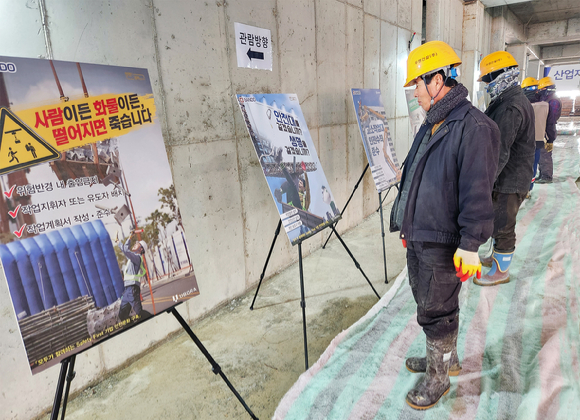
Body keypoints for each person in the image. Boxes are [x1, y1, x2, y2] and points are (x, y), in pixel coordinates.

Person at [389, 40, 500, 410]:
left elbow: (478, 190)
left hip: (444, 238)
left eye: (417, 85)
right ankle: (443, 358)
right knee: (429, 301)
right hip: (422, 233)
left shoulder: (473, 127)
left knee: (437, 309)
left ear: (437, 80)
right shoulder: (434, 122)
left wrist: (470, 243)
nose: (415, 94)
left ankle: (438, 378)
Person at [475, 51, 535, 287]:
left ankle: (502, 270)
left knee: (503, 223)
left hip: (510, 179)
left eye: (488, 80)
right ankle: (496, 255)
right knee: (497, 219)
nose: (487, 86)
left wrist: (483, 181)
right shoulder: (508, 100)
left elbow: (499, 151)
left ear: (499, 76)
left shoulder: (511, 107)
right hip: (508, 176)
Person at [521, 77, 549, 196]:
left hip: (524, 141)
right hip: (538, 140)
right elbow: (549, 123)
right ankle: (528, 189)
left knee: (521, 166)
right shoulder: (545, 105)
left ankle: (522, 189)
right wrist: (549, 139)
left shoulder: (523, 106)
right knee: (533, 165)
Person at [116, 231, 152, 322]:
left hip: (133, 289)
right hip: (127, 290)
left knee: (139, 312)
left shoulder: (136, 258)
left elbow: (126, 250)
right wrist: (129, 238)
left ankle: (152, 318)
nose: (135, 244)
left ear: (141, 249)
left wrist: (118, 242)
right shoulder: (132, 258)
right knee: (122, 315)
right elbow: (126, 250)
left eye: (137, 244)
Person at [536, 76, 562, 183]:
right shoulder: (547, 99)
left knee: (545, 154)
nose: (539, 92)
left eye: (541, 89)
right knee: (541, 154)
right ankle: (542, 174)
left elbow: (551, 120)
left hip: (547, 130)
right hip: (543, 128)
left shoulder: (553, 101)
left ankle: (546, 176)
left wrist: (550, 138)